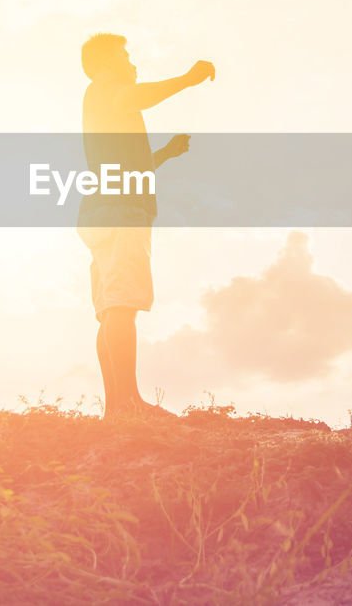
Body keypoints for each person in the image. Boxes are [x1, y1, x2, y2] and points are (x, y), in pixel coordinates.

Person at [77, 33, 215, 420]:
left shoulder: (101, 105)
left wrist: (166, 154)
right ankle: (128, 404)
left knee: (110, 307)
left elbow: (128, 165)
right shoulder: (107, 90)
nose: (133, 64)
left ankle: (115, 408)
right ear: (105, 65)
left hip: (100, 211)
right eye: (125, 57)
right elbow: (133, 96)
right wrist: (188, 78)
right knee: (122, 303)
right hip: (122, 211)